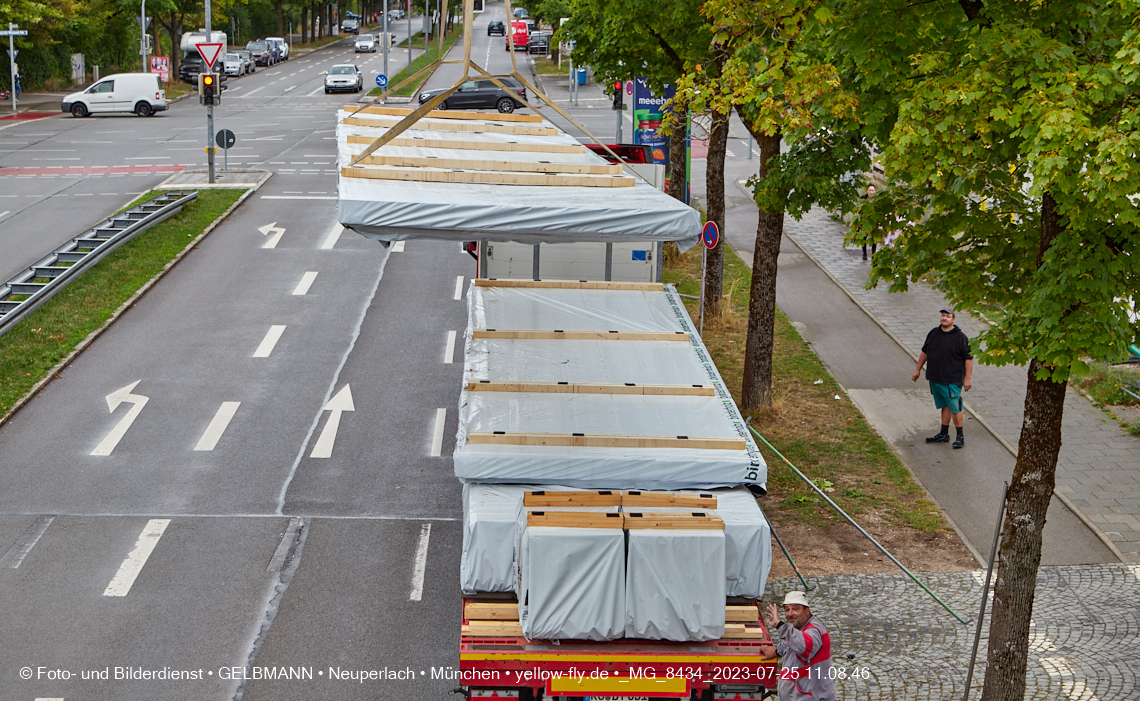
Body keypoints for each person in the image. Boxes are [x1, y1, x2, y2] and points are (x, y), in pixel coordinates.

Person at [912, 308, 973, 448]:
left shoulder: (960, 337)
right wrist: (917, 369)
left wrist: (968, 379)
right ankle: (944, 434)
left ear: (953, 319)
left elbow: (968, 359)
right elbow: (924, 352)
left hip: (952, 379)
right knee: (944, 405)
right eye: (943, 316)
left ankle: (960, 437)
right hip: (935, 378)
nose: (944, 318)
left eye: (948, 316)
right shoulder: (933, 333)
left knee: (955, 407)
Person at [759, 591, 836, 701]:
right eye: (787, 609)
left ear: (807, 610)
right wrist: (775, 652)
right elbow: (789, 643)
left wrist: (780, 625)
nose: (790, 613)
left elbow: (802, 645)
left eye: (795, 609)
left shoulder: (814, 631)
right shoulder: (799, 629)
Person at [861, 183, 877, 260]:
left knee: (874, 238)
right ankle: (864, 253)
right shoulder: (863, 198)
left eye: (872, 190)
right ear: (867, 191)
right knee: (864, 237)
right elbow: (860, 210)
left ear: (875, 191)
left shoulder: (877, 199)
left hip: (874, 220)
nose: (871, 192)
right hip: (865, 220)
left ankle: (873, 254)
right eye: (870, 190)